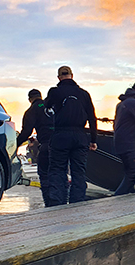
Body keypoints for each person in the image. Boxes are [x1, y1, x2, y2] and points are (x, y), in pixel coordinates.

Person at [43, 66, 97, 206]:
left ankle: (57, 204)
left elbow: (46, 105)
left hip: (60, 135)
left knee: (57, 169)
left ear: (59, 77)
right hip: (80, 135)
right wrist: (93, 140)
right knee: (78, 171)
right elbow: (92, 117)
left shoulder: (55, 91)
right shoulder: (84, 94)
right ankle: (77, 204)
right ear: (72, 76)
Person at [17, 89, 54, 204]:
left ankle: (49, 203)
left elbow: (26, 132)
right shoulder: (52, 107)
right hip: (61, 144)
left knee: (44, 174)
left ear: (29, 99)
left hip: (46, 145)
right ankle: (62, 201)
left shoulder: (31, 111)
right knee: (59, 172)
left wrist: (16, 144)